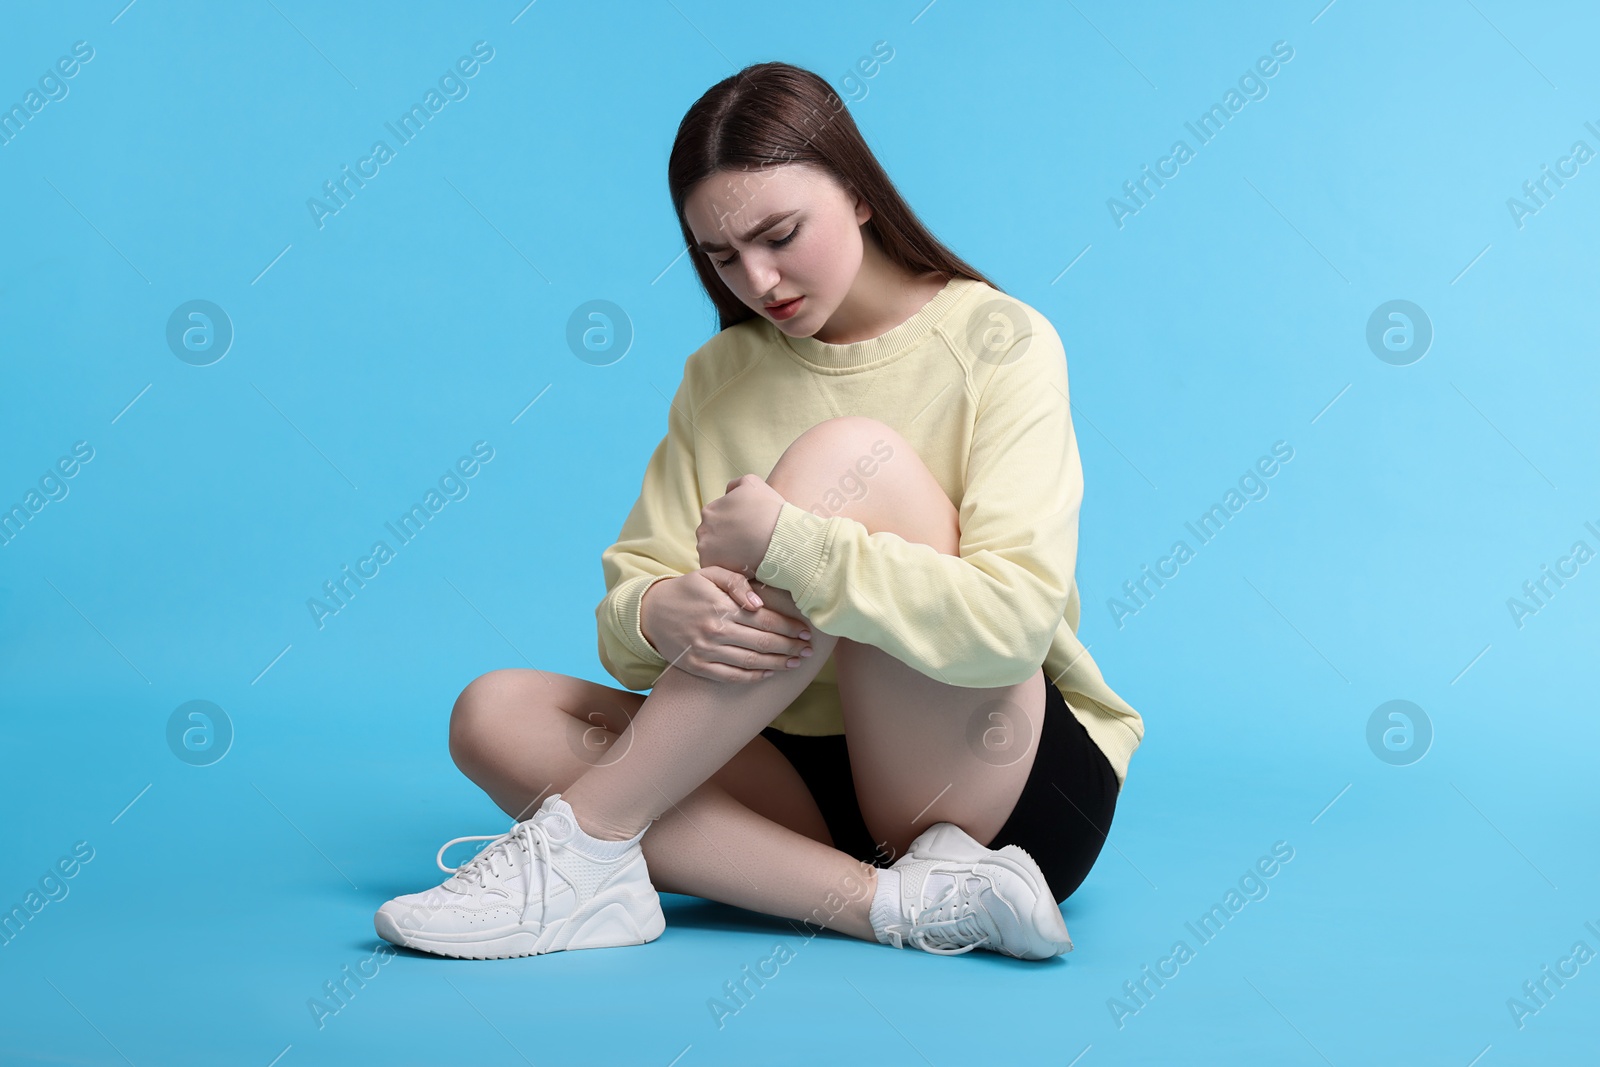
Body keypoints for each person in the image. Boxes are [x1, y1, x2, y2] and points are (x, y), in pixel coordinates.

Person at [374, 61, 1145, 962]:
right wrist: (660, 613)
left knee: (847, 459)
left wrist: (793, 544)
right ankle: (895, 906)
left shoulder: (999, 340)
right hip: (801, 792)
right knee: (493, 715)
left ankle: (581, 847)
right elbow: (624, 621)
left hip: (995, 782)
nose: (758, 278)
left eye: (780, 234)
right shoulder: (720, 377)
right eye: (720, 255)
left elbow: (1013, 626)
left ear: (858, 193)